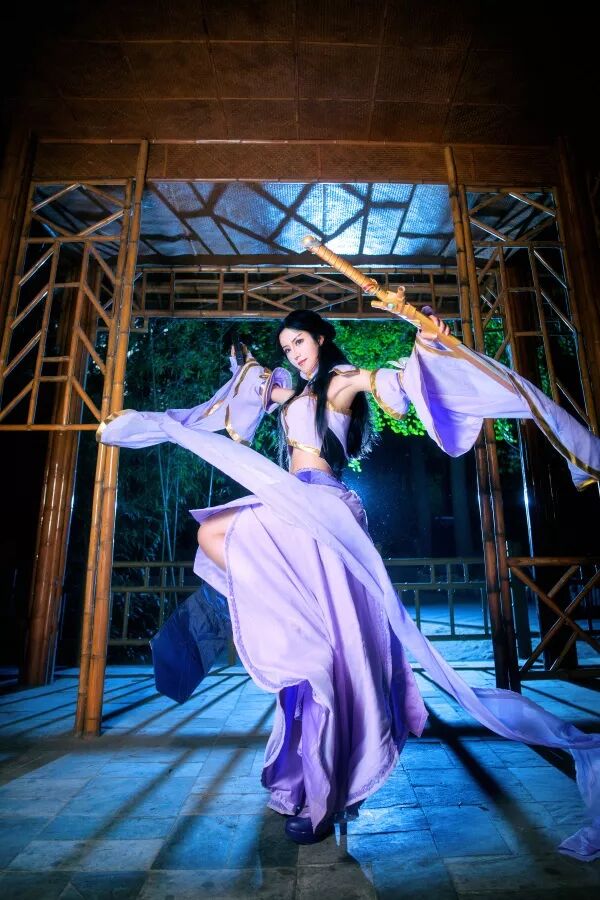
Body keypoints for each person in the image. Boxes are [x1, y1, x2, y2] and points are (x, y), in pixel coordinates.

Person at [99, 293, 600, 858]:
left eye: (300, 342)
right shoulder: (295, 392)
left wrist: (426, 342)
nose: (294, 353)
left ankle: (322, 785)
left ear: (320, 339)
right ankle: (301, 712)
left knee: (215, 535)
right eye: (286, 347)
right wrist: (243, 367)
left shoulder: (338, 382)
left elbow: (387, 382)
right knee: (284, 620)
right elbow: (252, 395)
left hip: (322, 507)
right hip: (296, 504)